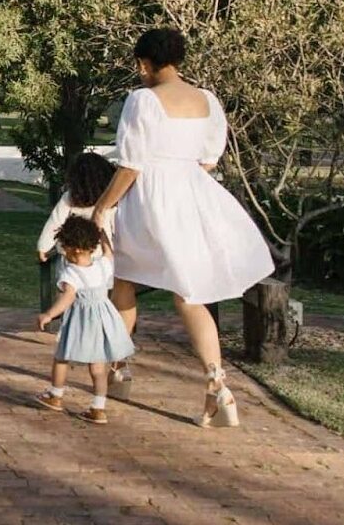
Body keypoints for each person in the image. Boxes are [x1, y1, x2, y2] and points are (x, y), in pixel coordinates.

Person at [91, 27, 274, 428]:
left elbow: (131, 164)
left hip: (150, 200)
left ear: (144, 64)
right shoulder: (207, 100)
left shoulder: (142, 100)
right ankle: (217, 384)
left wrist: (102, 207)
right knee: (188, 293)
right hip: (193, 196)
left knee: (123, 277)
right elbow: (209, 157)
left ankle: (119, 368)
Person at [35, 216, 136, 425]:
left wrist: (49, 314)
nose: (64, 252)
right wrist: (103, 234)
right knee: (98, 368)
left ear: (75, 250)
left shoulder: (71, 273)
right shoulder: (102, 266)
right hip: (103, 322)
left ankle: (56, 394)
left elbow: (68, 297)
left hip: (80, 322)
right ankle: (98, 408)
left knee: (62, 356)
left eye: (65, 248)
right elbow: (109, 252)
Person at [35, 152, 117, 263]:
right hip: (102, 256)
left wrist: (43, 247)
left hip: (72, 256)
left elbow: (55, 223)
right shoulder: (111, 200)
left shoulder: (70, 198)